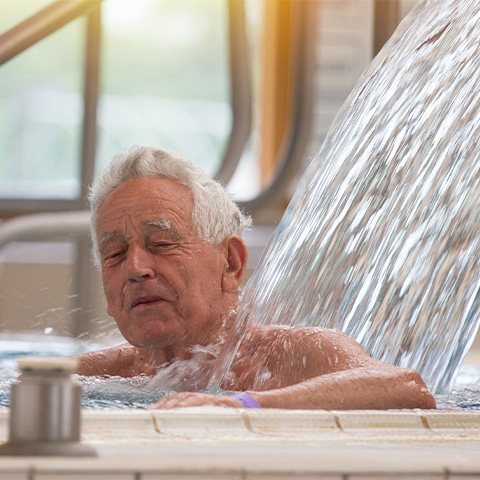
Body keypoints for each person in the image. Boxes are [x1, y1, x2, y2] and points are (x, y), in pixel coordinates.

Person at [75, 145, 436, 410]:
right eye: (115, 254)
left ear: (231, 264)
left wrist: (245, 406)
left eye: (163, 243)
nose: (136, 268)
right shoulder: (98, 376)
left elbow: (406, 388)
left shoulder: (293, 356)